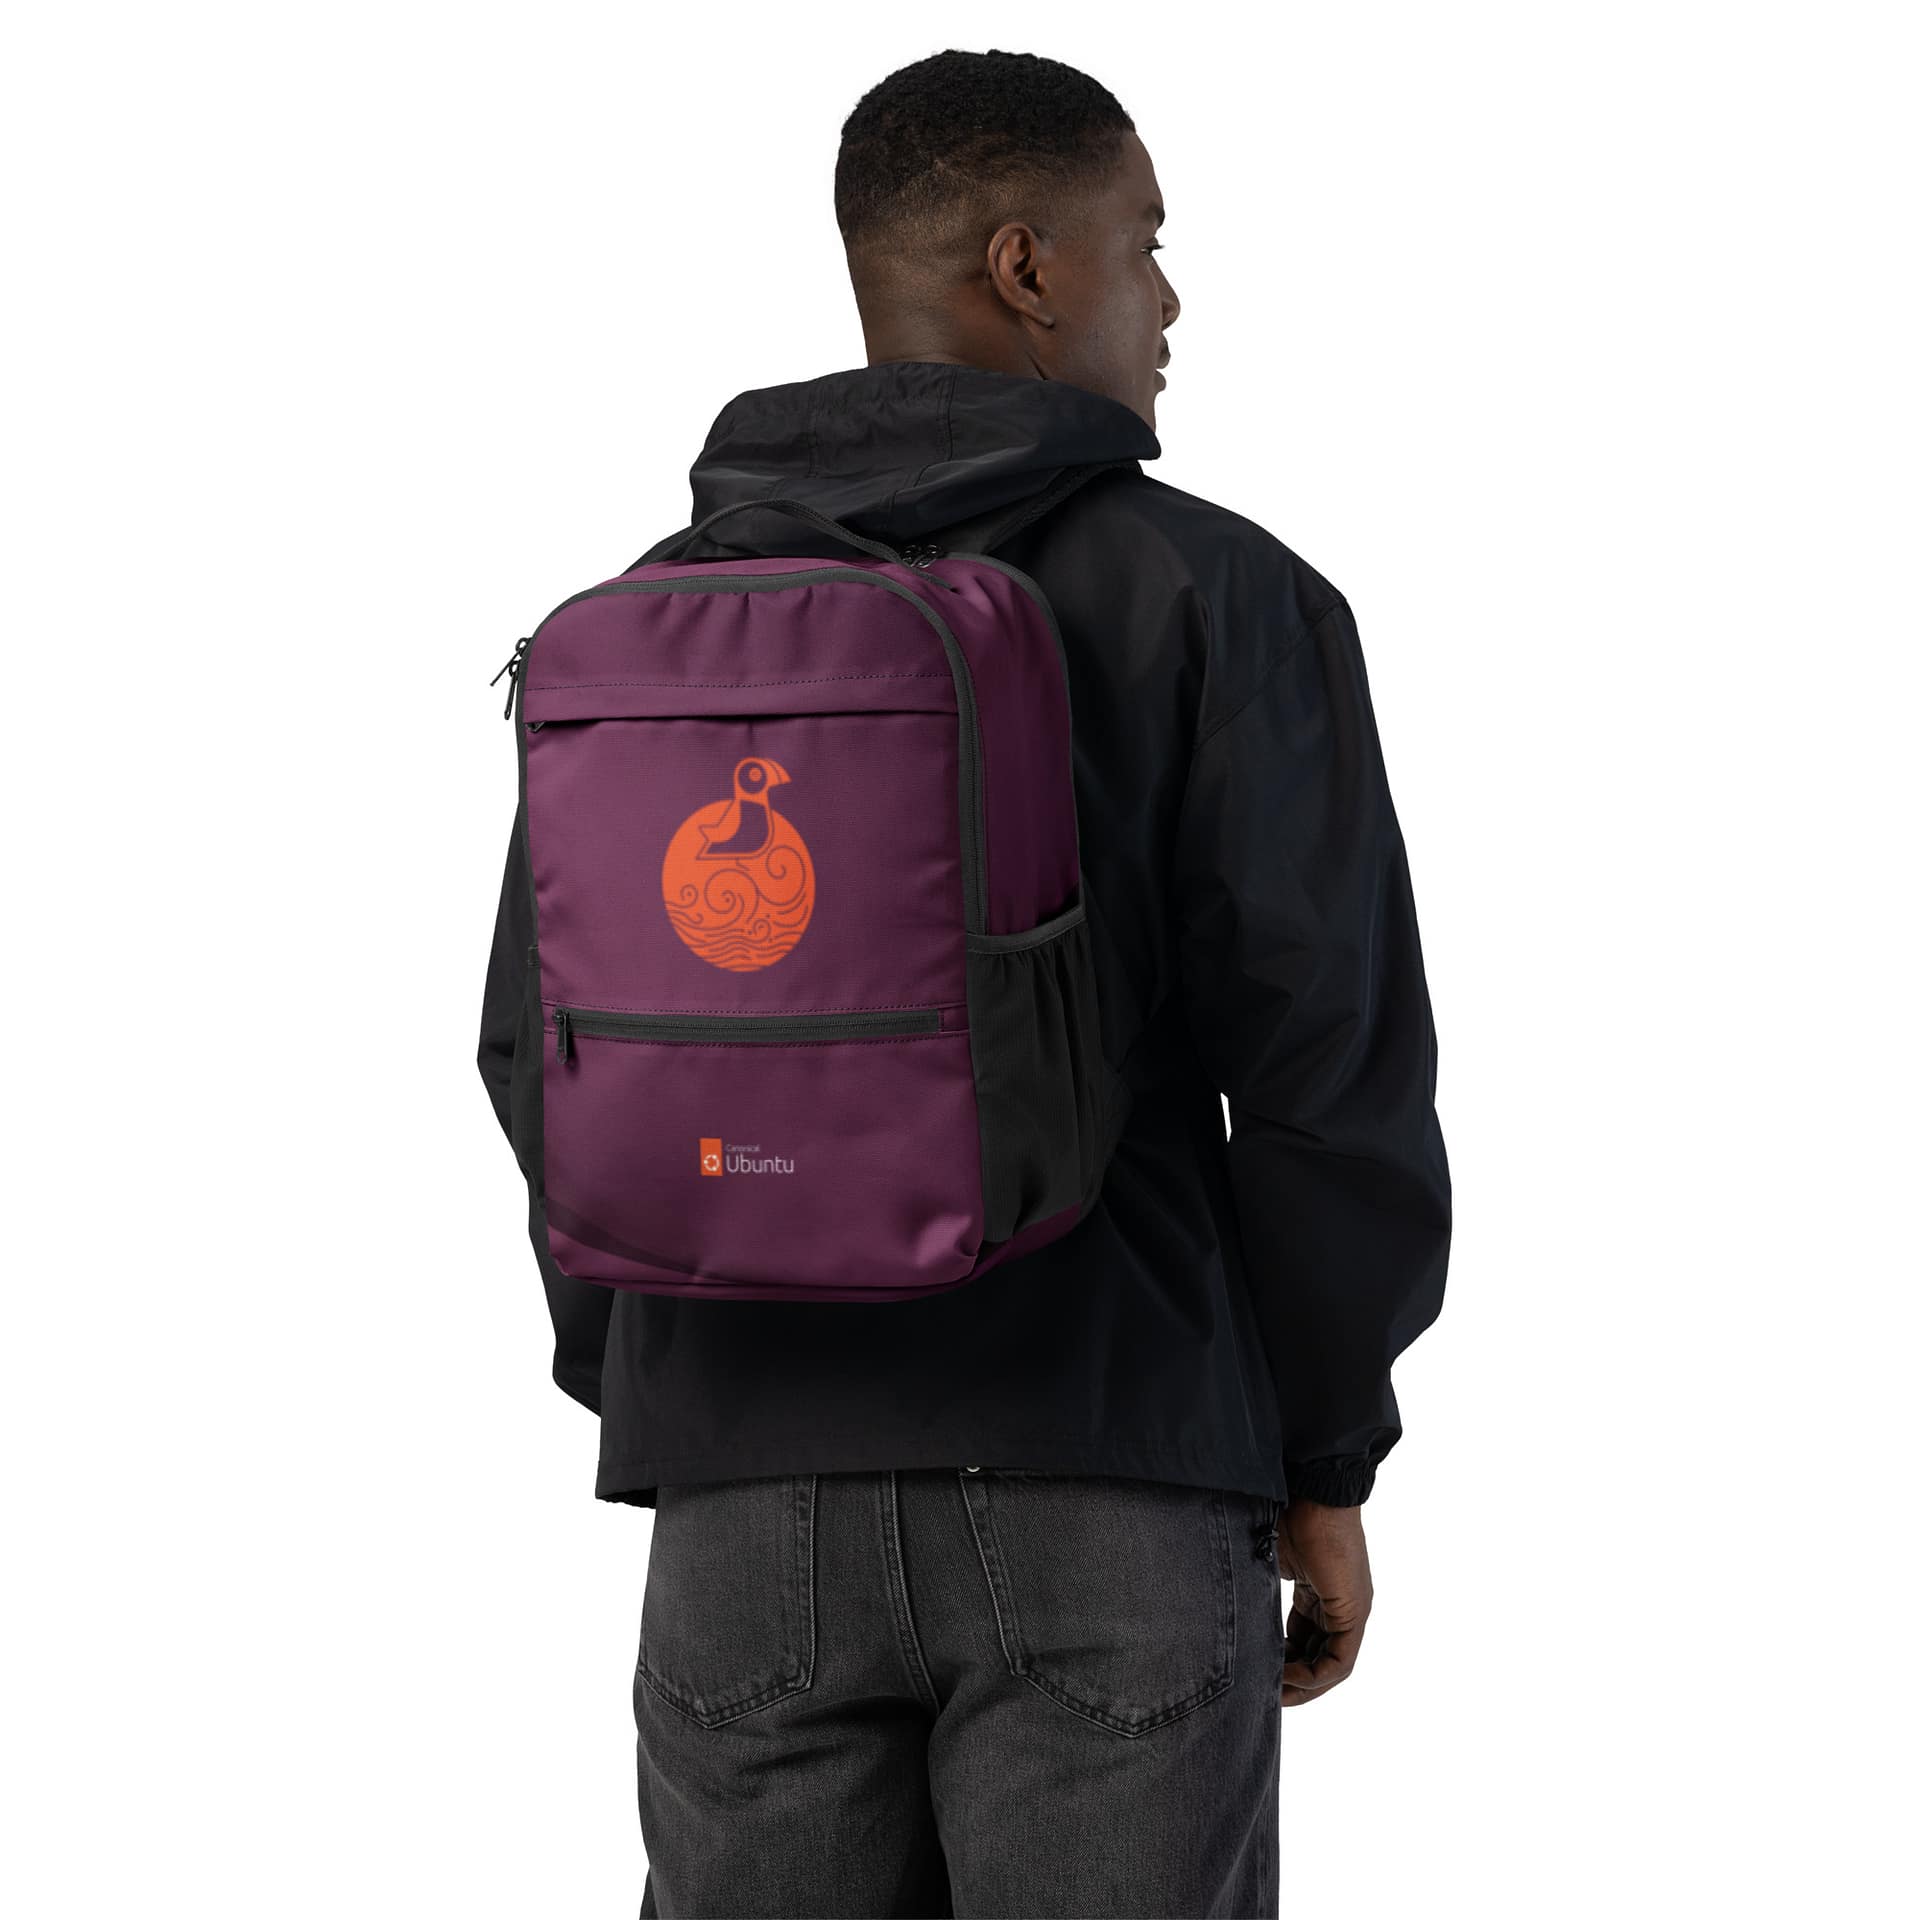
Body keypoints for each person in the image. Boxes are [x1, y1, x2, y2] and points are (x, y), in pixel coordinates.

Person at [478, 47, 1450, 1919]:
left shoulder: (657, 621)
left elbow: (543, 1048)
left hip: (740, 1504)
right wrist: (1325, 1454)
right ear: (1026, 266)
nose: (1170, 299)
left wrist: (667, 1388)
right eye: (1143, 242)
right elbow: (1326, 1076)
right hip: (1114, 1472)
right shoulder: (1225, 596)